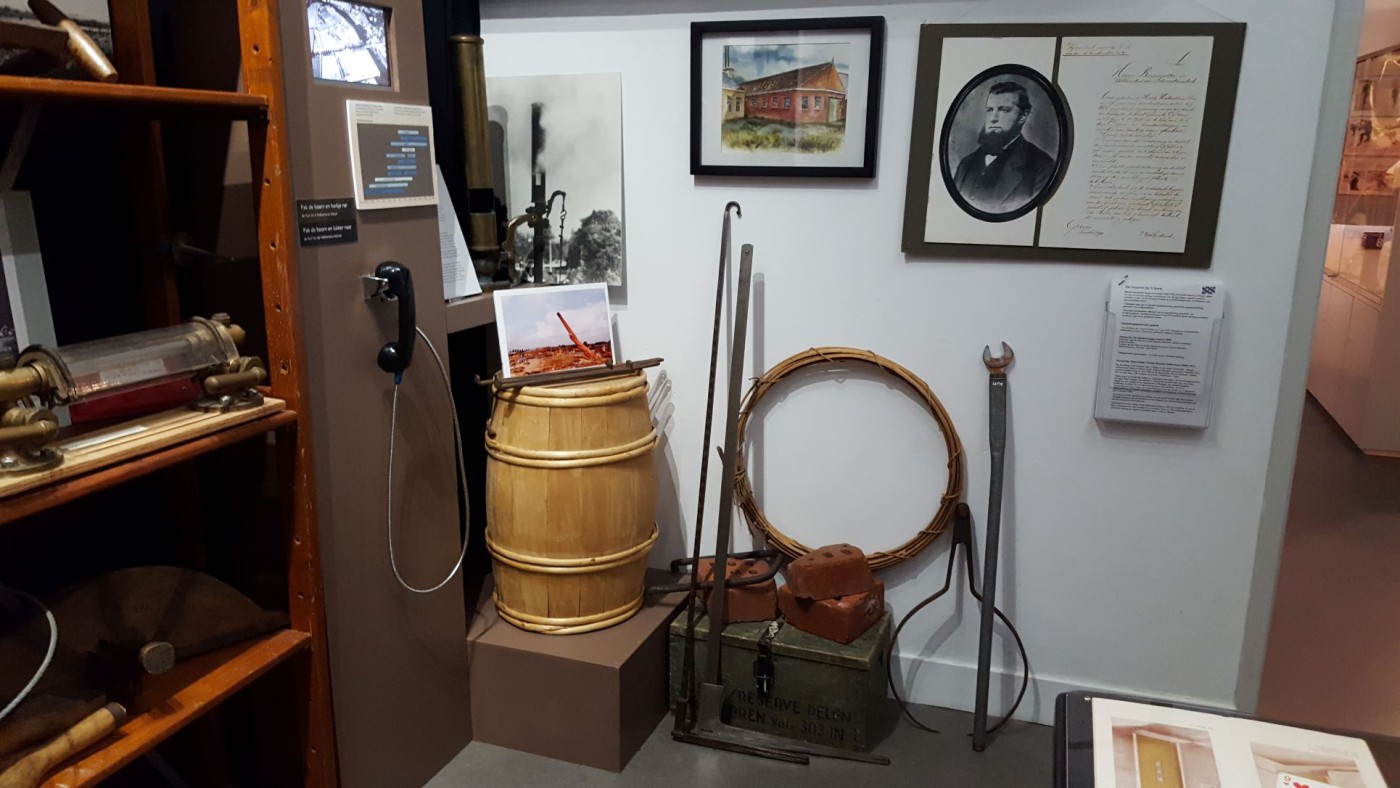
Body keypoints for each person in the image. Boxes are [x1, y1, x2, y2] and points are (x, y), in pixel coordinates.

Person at [952, 81, 1056, 215]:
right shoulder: (966, 164)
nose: (993, 118)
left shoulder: (1043, 167)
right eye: (990, 110)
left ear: (1023, 116)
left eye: (1004, 110)